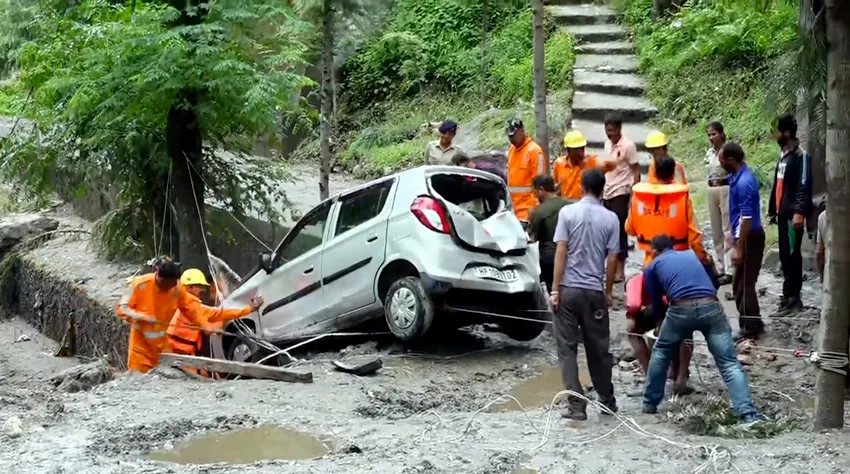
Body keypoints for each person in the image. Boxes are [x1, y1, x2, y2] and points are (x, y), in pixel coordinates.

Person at [641, 235, 762, 424]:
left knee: (662, 351)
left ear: (654, 251)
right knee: (729, 363)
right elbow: (713, 281)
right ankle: (748, 414)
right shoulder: (691, 255)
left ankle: (650, 403)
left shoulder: (653, 265)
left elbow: (656, 300)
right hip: (711, 307)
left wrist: (659, 322)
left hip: (680, 308)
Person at [624, 156, 709, 392]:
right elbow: (693, 234)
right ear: (673, 174)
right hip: (679, 271)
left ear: (652, 172)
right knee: (683, 325)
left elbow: (630, 228)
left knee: (646, 324)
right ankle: (680, 377)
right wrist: (703, 260)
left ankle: (653, 373)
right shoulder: (681, 198)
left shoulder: (640, 197)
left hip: (651, 268)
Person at [551, 169, 620, 420]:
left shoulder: (567, 213)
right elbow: (613, 258)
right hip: (593, 292)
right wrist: (608, 291)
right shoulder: (611, 219)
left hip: (568, 290)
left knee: (567, 349)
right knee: (598, 348)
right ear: (603, 190)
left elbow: (561, 251)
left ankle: (576, 406)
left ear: (581, 187)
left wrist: (555, 289)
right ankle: (606, 399)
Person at [165, 269, 264, 367]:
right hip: (178, 355)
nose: (203, 291)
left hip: (177, 354)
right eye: (200, 287)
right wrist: (250, 308)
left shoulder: (177, 302)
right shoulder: (192, 307)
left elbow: (217, 314)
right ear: (191, 287)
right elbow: (218, 314)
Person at [719, 141, 766, 340]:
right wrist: (732, 234)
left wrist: (739, 247)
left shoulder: (745, 181)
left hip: (750, 237)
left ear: (731, 159)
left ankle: (751, 327)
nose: (719, 162)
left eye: (721, 158)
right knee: (740, 283)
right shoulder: (734, 177)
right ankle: (752, 321)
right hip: (743, 235)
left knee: (744, 283)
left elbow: (746, 218)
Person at [768, 114, 812, 315]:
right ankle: (788, 296)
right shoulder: (784, 155)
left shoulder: (800, 156)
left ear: (786, 133)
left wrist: (799, 211)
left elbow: (804, 185)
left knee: (792, 257)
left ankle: (793, 298)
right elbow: (779, 185)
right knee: (786, 257)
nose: (775, 134)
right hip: (783, 214)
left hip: (792, 216)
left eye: (778, 130)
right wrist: (772, 209)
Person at [116, 258, 189, 373]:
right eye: (168, 285)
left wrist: (205, 323)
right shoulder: (139, 284)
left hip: (164, 350)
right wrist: (140, 316)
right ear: (159, 277)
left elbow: (192, 308)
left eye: (173, 284)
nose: (171, 288)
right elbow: (121, 308)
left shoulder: (176, 288)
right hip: (141, 352)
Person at [602, 114, 640, 282]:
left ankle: (620, 271)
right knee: (608, 230)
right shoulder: (606, 144)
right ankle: (611, 267)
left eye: (612, 130)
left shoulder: (628, 146)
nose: (609, 133)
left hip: (621, 192)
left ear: (619, 129)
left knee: (620, 232)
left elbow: (636, 170)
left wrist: (634, 193)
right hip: (608, 191)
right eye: (607, 130)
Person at [704, 122, 733, 285]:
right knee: (716, 231)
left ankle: (730, 269)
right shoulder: (709, 153)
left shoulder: (728, 151)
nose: (711, 138)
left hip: (725, 187)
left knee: (727, 228)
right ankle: (720, 267)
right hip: (711, 188)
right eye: (709, 135)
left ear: (721, 134)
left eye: (714, 134)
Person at [529, 175, 569, 291]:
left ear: (541, 190)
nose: (535, 195)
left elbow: (533, 238)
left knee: (551, 290)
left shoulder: (539, 211)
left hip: (549, 259)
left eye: (535, 191)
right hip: (569, 257)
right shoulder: (570, 205)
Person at [507, 118, 546, 223]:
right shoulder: (511, 150)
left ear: (522, 132)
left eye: (514, 135)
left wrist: (535, 211)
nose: (512, 139)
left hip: (528, 211)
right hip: (513, 211)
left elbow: (539, 182)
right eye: (510, 136)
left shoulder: (534, 151)